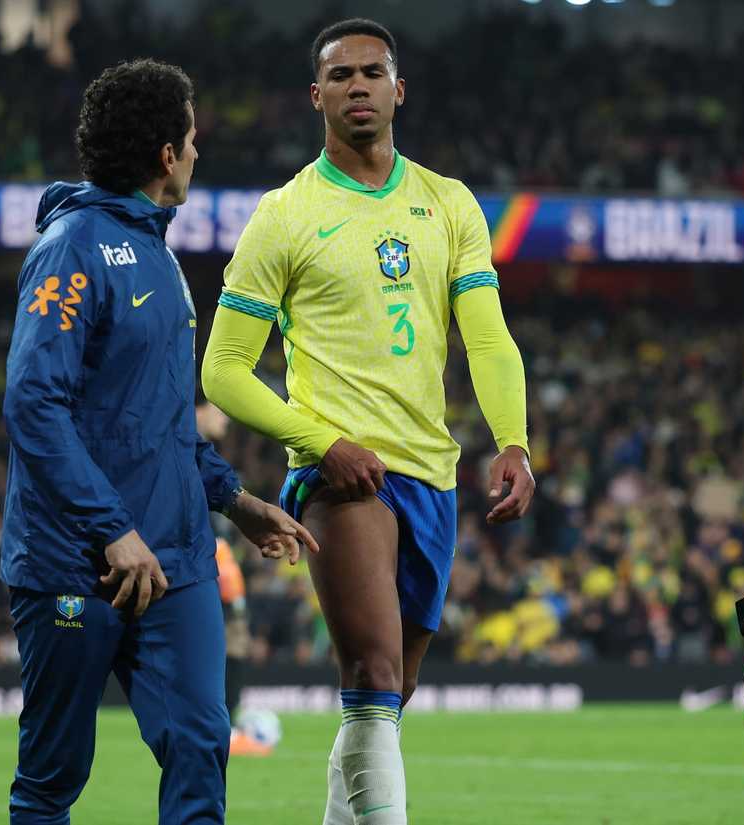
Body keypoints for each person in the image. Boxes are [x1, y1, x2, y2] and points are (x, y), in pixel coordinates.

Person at [200, 18, 533, 825]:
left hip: (431, 471)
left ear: (398, 89)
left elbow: (485, 336)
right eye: (341, 76)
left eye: (372, 73)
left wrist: (514, 438)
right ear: (316, 96)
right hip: (341, 474)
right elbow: (222, 369)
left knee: (388, 693)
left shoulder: (448, 203)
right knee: (377, 673)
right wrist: (320, 442)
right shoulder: (284, 214)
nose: (358, 86)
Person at [0, 58, 316, 825]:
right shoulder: (71, 248)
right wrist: (111, 529)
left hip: (175, 560)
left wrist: (235, 500)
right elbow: (33, 402)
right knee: (51, 778)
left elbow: (165, 424)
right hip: (77, 560)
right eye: (193, 137)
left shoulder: (161, 257)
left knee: (203, 746)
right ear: (168, 155)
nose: (199, 151)